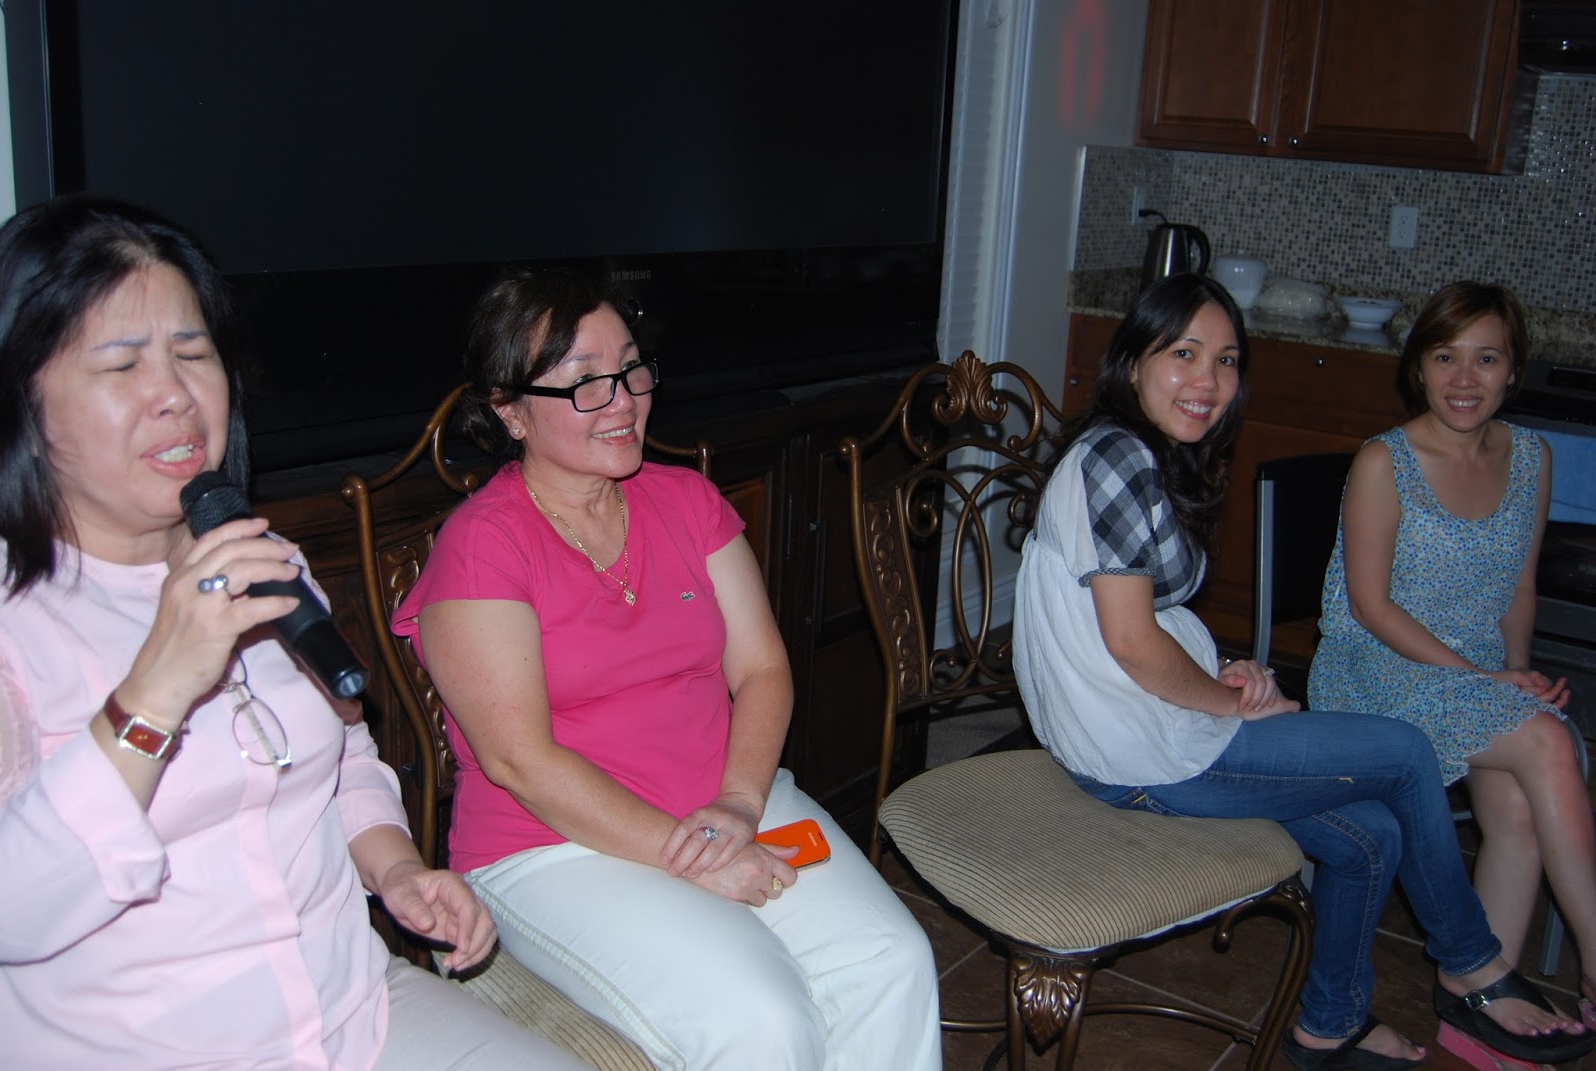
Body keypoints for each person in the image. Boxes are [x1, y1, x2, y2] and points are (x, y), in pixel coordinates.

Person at [0, 195, 589, 1071]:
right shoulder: (15, 622)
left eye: (193, 353)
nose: (175, 396)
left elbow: (340, 756)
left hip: (353, 1013)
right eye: (121, 364)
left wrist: (394, 869)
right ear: (25, 404)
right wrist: (155, 690)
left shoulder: (262, 556)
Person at [1012, 272, 1593, 1070]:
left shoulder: (1137, 454)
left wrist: (1224, 669)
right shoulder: (1117, 455)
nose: (1207, 381)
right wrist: (1227, 702)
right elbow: (1131, 643)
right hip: (1138, 751)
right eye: (1183, 353)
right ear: (1133, 361)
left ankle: (1328, 1025)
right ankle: (1470, 964)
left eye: (1225, 360)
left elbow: (1133, 620)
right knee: (1404, 753)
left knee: (1371, 835)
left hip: (1141, 727)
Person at [389, 268, 940, 1071]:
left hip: (723, 799)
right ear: (510, 410)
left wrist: (739, 803)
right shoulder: (483, 545)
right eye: (585, 381)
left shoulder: (686, 500)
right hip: (555, 846)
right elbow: (519, 760)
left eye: (631, 368)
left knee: (891, 960)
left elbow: (762, 667)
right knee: (761, 1019)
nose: (622, 400)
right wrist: (689, 853)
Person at [1309, 281, 1596, 1063]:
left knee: (1520, 804)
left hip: (1473, 675)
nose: (1464, 378)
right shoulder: (1384, 460)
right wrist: (1484, 681)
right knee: (1549, 744)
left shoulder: (1531, 457)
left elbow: (1519, 586)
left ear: (1513, 370)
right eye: (1445, 357)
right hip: (1376, 670)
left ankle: (1477, 1006)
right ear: (1419, 368)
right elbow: (1369, 607)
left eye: (1486, 358)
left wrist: (1515, 672)